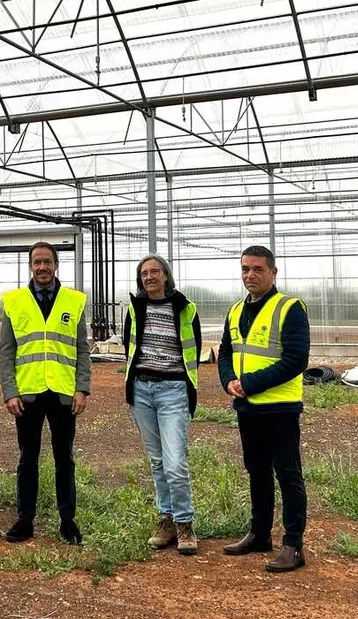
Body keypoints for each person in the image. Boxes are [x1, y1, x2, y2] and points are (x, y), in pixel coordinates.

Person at [218, 245, 310, 572]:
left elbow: (296, 360)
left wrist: (250, 383)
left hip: (280, 408)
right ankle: (259, 534)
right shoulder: (235, 310)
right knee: (257, 471)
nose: (250, 275)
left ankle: (293, 545)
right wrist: (228, 380)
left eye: (257, 269)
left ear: (273, 272)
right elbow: (225, 352)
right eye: (245, 269)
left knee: (288, 473)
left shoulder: (290, 308)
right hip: (248, 408)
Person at [0, 241, 91, 544]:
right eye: (37, 262)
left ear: (56, 265)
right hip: (27, 394)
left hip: (63, 393)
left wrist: (82, 388)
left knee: (65, 458)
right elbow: (7, 352)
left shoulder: (74, 301)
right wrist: (10, 392)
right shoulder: (14, 301)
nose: (42, 267)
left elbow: (82, 349)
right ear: (30, 266)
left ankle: (68, 521)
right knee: (28, 458)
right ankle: (25, 520)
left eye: (47, 262)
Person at [122, 254, 202, 555]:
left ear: (166, 276)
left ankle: (185, 522)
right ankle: (166, 519)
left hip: (173, 391)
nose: (149, 277)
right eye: (144, 273)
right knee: (157, 462)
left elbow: (193, 350)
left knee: (175, 463)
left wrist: (181, 383)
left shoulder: (185, 308)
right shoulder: (135, 308)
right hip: (142, 391)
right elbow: (130, 348)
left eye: (155, 271)